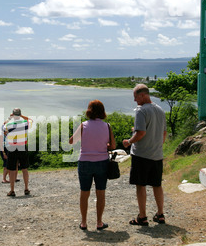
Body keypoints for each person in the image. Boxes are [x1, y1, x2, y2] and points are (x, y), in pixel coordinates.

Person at [122, 84, 167, 226]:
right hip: (157, 154)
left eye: (135, 97)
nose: (135, 100)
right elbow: (163, 133)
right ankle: (160, 214)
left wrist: (129, 142)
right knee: (156, 185)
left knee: (140, 185)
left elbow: (141, 133)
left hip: (141, 154)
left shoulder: (141, 111)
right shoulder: (160, 110)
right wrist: (158, 144)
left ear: (142, 95)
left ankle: (142, 216)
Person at [69, 100, 116, 231]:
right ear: (102, 111)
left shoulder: (83, 125)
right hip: (102, 162)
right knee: (100, 193)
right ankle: (99, 222)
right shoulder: (107, 126)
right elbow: (112, 146)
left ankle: (83, 222)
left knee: (84, 192)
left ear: (89, 110)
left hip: (84, 162)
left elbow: (71, 141)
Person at [4, 108, 33, 197]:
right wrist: (21, 116)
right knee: (24, 169)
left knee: (12, 170)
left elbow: (4, 128)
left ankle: (12, 190)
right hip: (22, 146)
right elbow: (31, 120)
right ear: (20, 114)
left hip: (12, 148)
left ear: (13, 114)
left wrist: (9, 118)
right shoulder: (25, 123)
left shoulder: (9, 124)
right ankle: (26, 188)